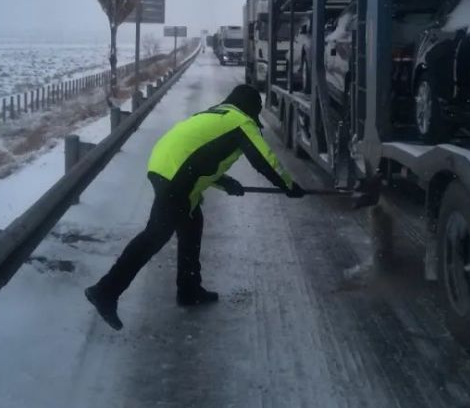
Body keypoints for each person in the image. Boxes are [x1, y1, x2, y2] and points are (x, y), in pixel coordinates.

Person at [85, 84, 305, 330]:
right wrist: (288, 186)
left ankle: (189, 289)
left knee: (191, 223)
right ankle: (106, 291)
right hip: (176, 176)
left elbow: (200, 157)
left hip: (164, 165)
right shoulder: (242, 122)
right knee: (154, 236)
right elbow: (265, 162)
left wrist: (227, 183)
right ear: (251, 110)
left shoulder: (218, 114)